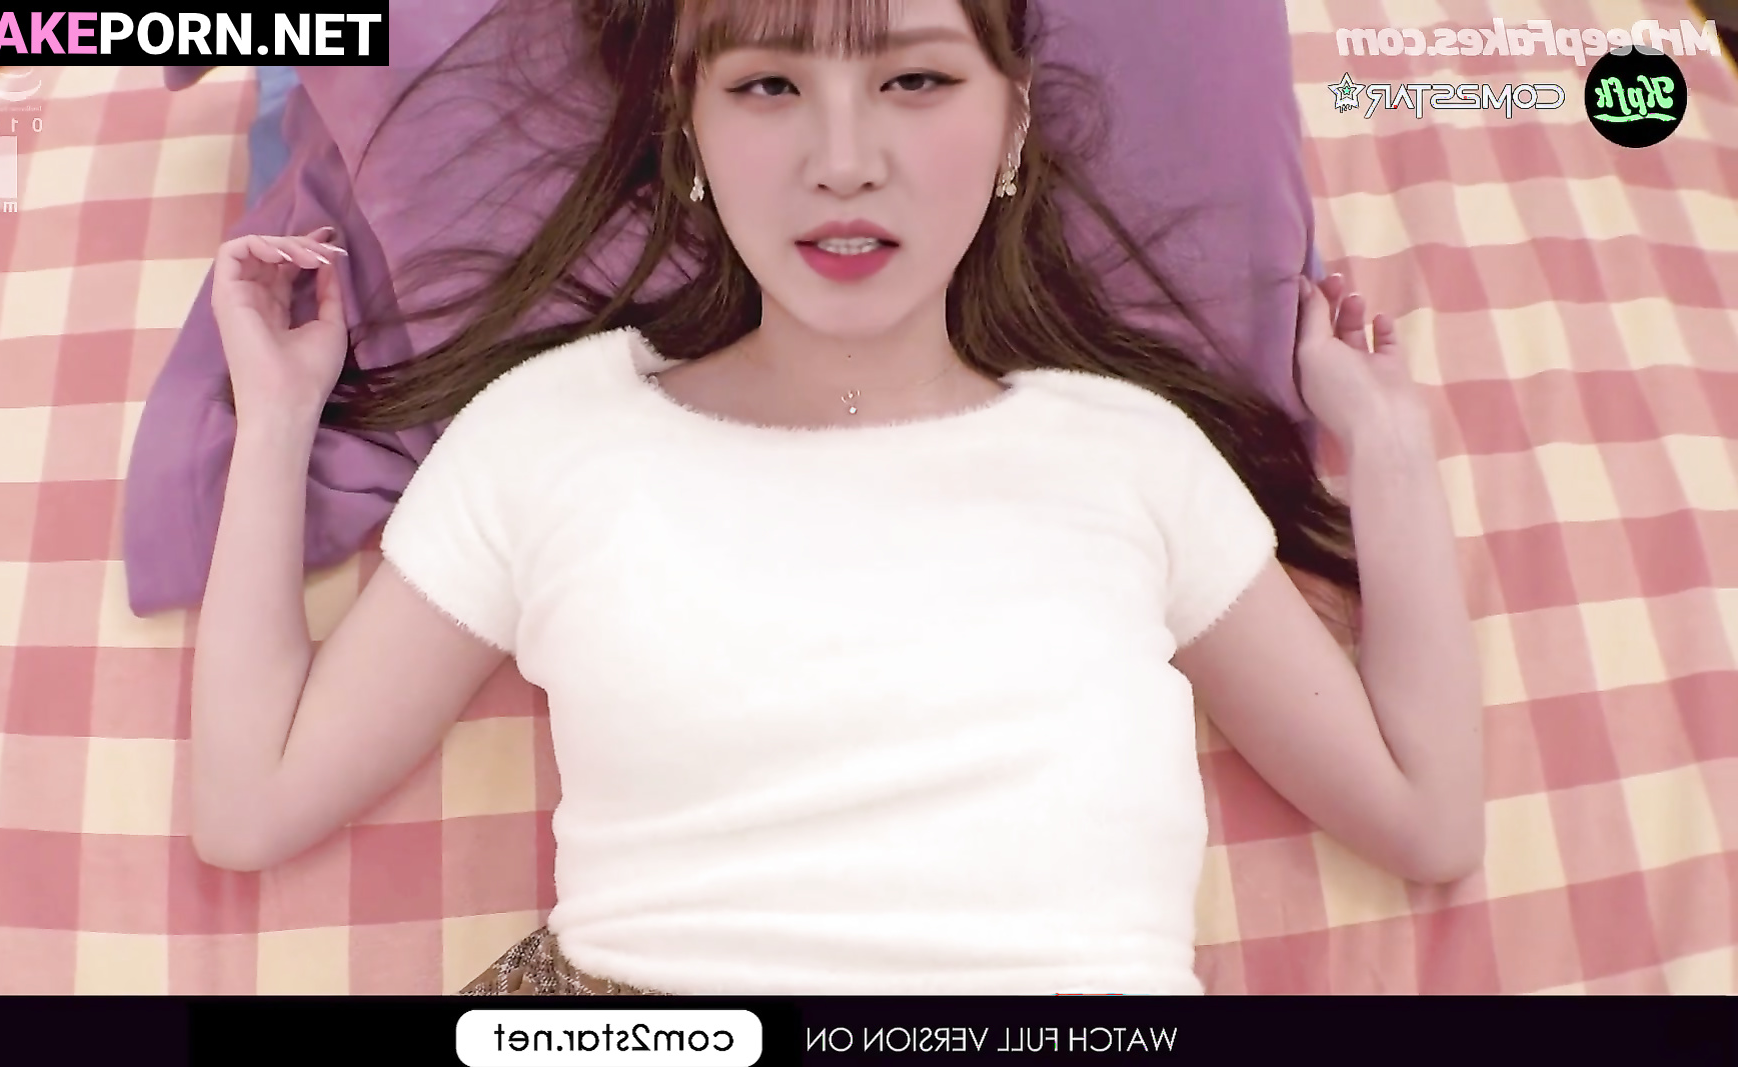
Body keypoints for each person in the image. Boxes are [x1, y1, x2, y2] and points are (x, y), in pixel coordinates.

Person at [187, 0, 1484, 996]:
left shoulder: (1134, 452)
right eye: (769, 86)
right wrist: (278, 419)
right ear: (689, 128)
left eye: (915, 81)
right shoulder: (554, 428)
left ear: (1014, 124)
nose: (845, 161)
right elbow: (252, 806)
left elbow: (1426, 819)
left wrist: (1387, 446)